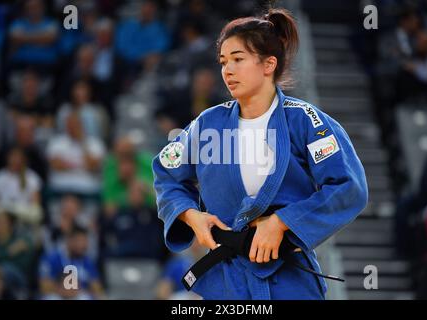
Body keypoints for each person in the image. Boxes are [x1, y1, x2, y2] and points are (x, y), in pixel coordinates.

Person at [152, 8, 368, 300]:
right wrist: (191, 216)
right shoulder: (207, 124)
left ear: (268, 64)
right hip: (227, 279)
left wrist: (284, 222)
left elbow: (348, 187)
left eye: (238, 59)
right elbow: (167, 172)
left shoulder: (305, 120)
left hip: (288, 278)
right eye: (223, 62)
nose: (227, 70)